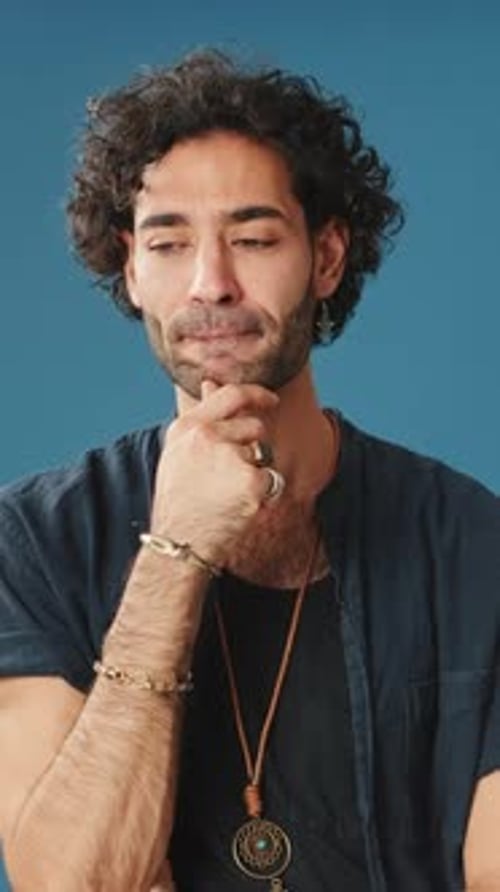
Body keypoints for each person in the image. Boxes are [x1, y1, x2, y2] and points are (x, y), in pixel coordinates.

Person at [0, 49, 499, 892]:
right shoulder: (35, 539)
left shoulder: (475, 543)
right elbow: (76, 882)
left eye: (254, 238)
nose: (212, 284)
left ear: (327, 258)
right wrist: (176, 551)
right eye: (169, 242)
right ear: (131, 267)